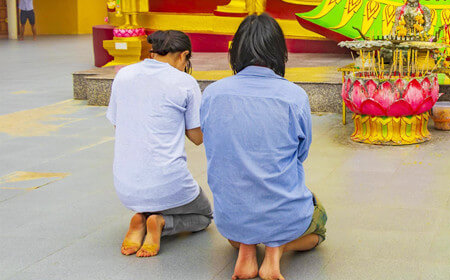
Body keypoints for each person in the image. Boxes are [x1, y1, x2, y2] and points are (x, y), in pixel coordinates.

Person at [200, 14, 327, 280]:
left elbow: (213, 147)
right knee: (319, 227)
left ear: (236, 53)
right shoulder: (294, 97)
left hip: (231, 220)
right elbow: (301, 155)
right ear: (280, 52)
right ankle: (275, 252)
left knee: (240, 228)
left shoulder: (212, 93)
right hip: (285, 216)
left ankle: (246, 253)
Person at [106, 30, 212, 258]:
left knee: (152, 188)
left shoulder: (123, 75)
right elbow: (197, 138)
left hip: (126, 188)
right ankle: (162, 222)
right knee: (205, 217)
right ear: (184, 55)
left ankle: (141, 218)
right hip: (170, 185)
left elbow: (119, 125)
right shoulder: (185, 82)